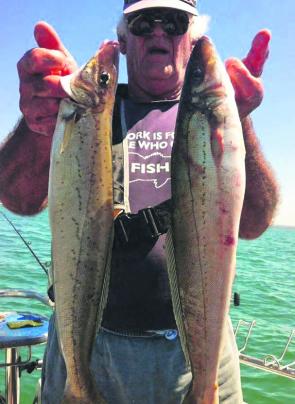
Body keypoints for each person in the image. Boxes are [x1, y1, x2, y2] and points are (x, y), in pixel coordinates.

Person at [0, 0, 279, 403]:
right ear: (124, 39)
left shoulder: (216, 116)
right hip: (87, 343)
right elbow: (18, 199)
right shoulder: (90, 108)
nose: (159, 32)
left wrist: (239, 122)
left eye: (175, 21)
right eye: (144, 22)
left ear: (193, 35)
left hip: (200, 351)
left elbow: (254, 223)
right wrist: (38, 124)